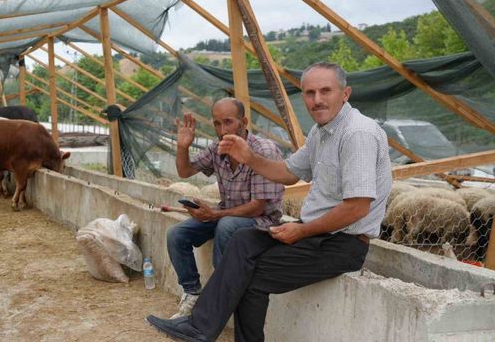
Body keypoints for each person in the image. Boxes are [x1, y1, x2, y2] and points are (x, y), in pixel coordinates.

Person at [146, 62, 392, 342]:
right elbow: (287, 173)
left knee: (249, 275)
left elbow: (357, 207)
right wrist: (249, 157)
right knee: (242, 240)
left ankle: (200, 328)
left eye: (326, 91)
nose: (317, 100)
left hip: (342, 244)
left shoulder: (356, 133)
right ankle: (198, 327)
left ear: (345, 93)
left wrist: (301, 230)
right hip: (316, 233)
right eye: (310, 93)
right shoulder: (321, 131)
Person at [167, 97, 284, 319]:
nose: (222, 130)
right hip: (226, 215)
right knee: (177, 235)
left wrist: (215, 214)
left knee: (227, 226)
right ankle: (192, 292)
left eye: (228, 122)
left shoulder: (263, 150)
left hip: (263, 222)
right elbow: (185, 172)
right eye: (217, 124)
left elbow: (258, 208)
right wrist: (183, 147)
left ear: (244, 121)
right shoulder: (217, 148)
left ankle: (220, 299)